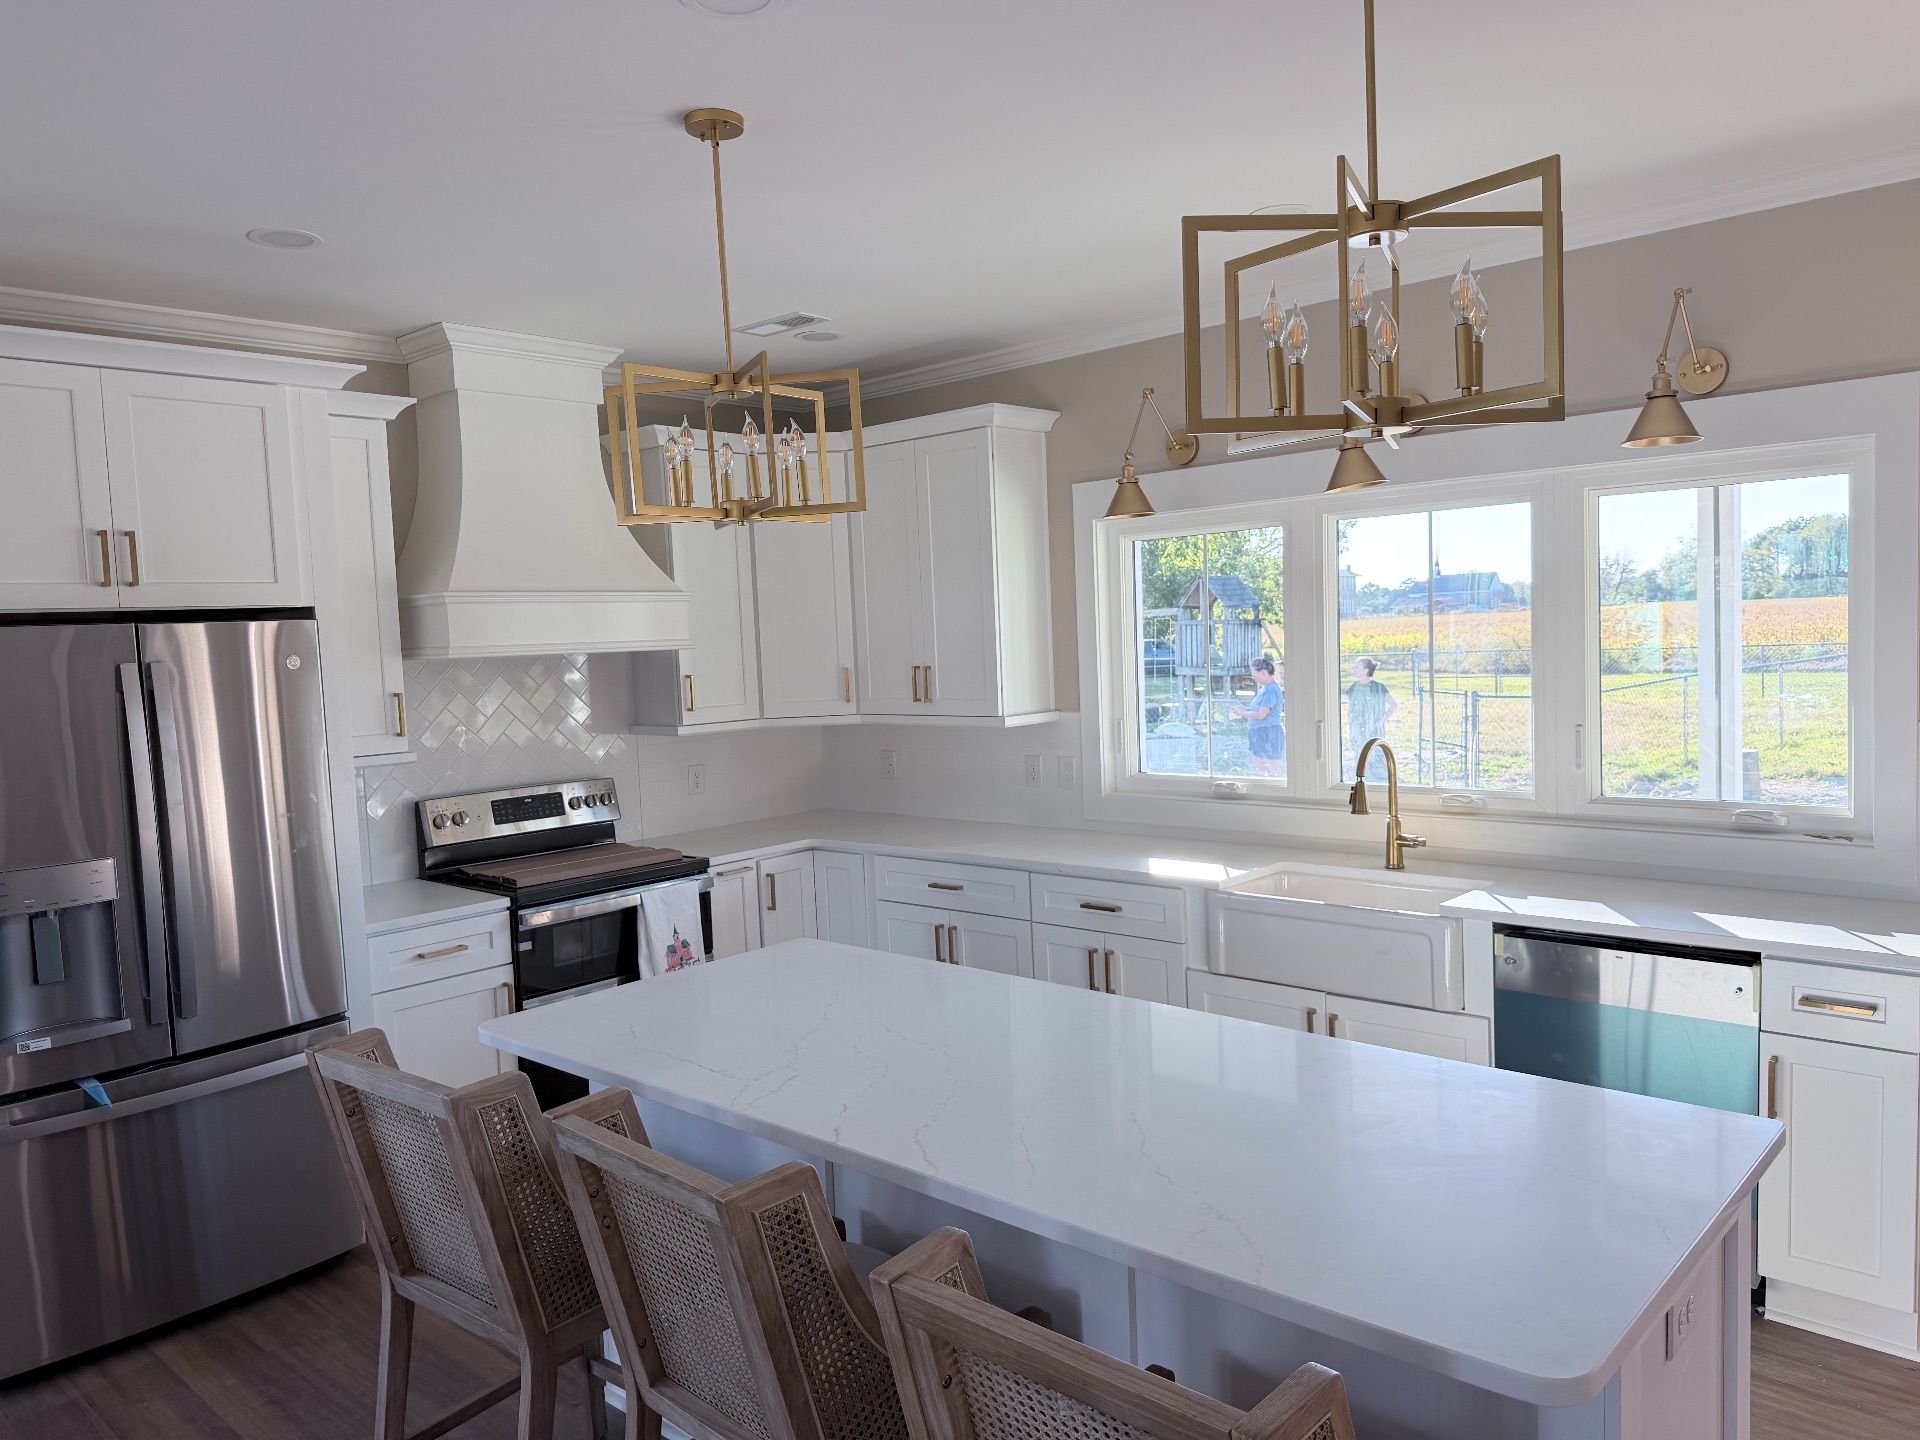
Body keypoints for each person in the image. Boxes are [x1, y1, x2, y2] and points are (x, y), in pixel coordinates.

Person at [1232, 656, 1285, 777]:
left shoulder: (1271, 689)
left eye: (1254, 674)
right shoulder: (1265, 688)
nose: (1253, 677)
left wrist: (1241, 714)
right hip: (1260, 732)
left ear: (1264, 672)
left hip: (1269, 732)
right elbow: (1259, 710)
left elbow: (1261, 715)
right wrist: (1245, 709)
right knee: (1257, 764)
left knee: (1272, 765)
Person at [1345, 657, 1397, 780]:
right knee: (1359, 755)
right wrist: (1350, 723)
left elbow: (1393, 705)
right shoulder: (1353, 687)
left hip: (1373, 729)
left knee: (1376, 754)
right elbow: (1351, 708)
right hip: (1358, 729)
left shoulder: (1379, 688)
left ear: (1366, 670)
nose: (1354, 669)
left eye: (1357, 667)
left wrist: (1383, 719)